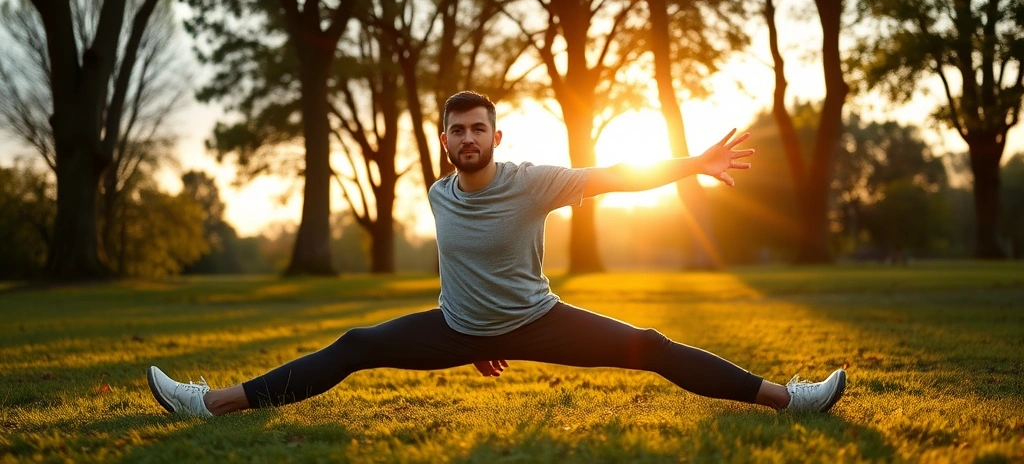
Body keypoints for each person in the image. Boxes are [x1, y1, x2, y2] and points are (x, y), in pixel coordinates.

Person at [147, 91, 846, 418]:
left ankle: (791, 399)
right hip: (456, 326)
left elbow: (617, 175)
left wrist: (693, 163)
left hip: (538, 318)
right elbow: (460, 263)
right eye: (458, 130)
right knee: (356, 343)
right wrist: (471, 330)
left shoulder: (534, 183)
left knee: (651, 345)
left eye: (479, 127)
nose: (469, 138)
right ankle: (208, 405)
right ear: (445, 139)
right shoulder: (437, 191)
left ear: (496, 135)